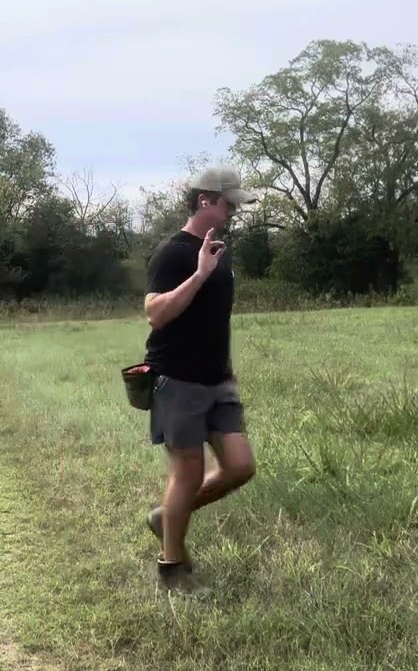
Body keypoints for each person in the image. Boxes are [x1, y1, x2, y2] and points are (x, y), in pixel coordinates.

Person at [142, 165, 257, 594]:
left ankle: (165, 517)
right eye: (228, 204)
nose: (232, 212)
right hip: (178, 380)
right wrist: (199, 274)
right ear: (205, 199)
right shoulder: (173, 252)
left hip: (217, 381)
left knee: (241, 467)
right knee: (187, 473)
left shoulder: (220, 252)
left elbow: (212, 320)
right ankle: (172, 568)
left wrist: (224, 365)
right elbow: (155, 312)